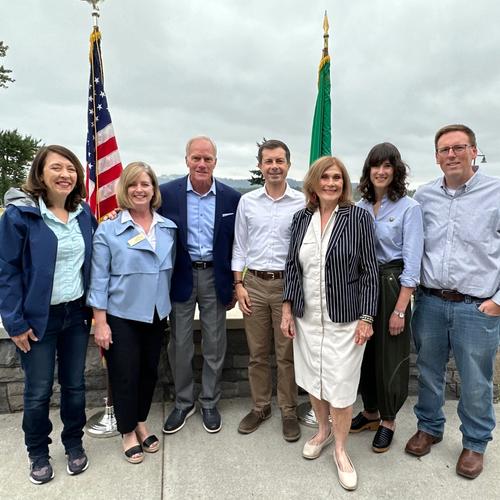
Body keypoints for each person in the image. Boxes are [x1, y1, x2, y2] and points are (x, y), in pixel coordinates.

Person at [405, 124, 500, 479]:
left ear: (474, 151)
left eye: (459, 148)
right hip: (429, 302)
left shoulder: (496, 192)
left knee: (476, 380)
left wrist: (498, 302)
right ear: (436, 157)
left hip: (477, 307)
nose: (451, 155)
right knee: (429, 371)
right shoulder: (424, 196)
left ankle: (475, 443)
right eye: (444, 150)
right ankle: (429, 427)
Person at [281, 156, 378, 491]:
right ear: (313, 182)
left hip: (345, 320)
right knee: (313, 377)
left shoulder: (358, 218)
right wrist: (287, 309)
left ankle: (340, 450)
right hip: (308, 317)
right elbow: (292, 268)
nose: (331, 183)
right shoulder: (300, 219)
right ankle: (321, 432)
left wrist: (367, 316)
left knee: (341, 384)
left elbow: (370, 271)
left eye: (337, 177)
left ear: (344, 182)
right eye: (325, 177)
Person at [0, 145, 96, 484]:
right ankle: (38, 452)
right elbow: (7, 271)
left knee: (74, 386)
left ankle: (73, 443)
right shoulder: (20, 216)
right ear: (41, 173)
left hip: (75, 315)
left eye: (70, 169)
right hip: (38, 319)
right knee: (38, 389)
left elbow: (95, 258)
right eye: (56, 167)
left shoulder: (83, 214)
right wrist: (14, 322)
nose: (65, 174)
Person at [87, 162, 176, 464]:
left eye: (145, 184)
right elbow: (99, 277)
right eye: (133, 184)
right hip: (121, 315)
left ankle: (139, 420)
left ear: (154, 189)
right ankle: (127, 432)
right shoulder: (109, 229)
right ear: (124, 189)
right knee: (125, 375)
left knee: (149, 373)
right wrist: (100, 321)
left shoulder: (167, 228)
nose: (140, 190)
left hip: (155, 314)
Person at [158, 136, 240, 434]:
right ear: (187, 160)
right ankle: (183, 402)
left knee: (215, 342)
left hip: (214, 276)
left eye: (208, 158)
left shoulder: (232, 198)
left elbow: (237, 243)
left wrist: (235, 282)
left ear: (215, 161)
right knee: (179, 343)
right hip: (180, 274)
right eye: (196, 158)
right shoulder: (166, 194)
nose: (202, 163)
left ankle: (208, 401)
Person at [351, 143, 424, 452]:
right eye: (375, 166)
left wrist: (400, 309)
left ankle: (388, 419)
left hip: (393, 284)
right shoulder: (361, 207)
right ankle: (369, 412)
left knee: (390, 354)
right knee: (365, 352)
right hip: (364, 284)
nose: (380, 172)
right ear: (369, 171)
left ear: (396, 171)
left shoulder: (409, 208)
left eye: (387, 166)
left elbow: (413, 260)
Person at [232, 139, 305, 442]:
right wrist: (239, 284)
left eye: (279, 161)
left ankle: (288, 409)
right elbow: (239, 245)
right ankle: (261, 406)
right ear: (261, 166)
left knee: (286, 353)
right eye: (268, 161)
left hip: (289, 285)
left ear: (288, 164)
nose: (274, 166)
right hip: (255, 285)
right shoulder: (248, 202)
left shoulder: (302, 203)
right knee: (258, 353)